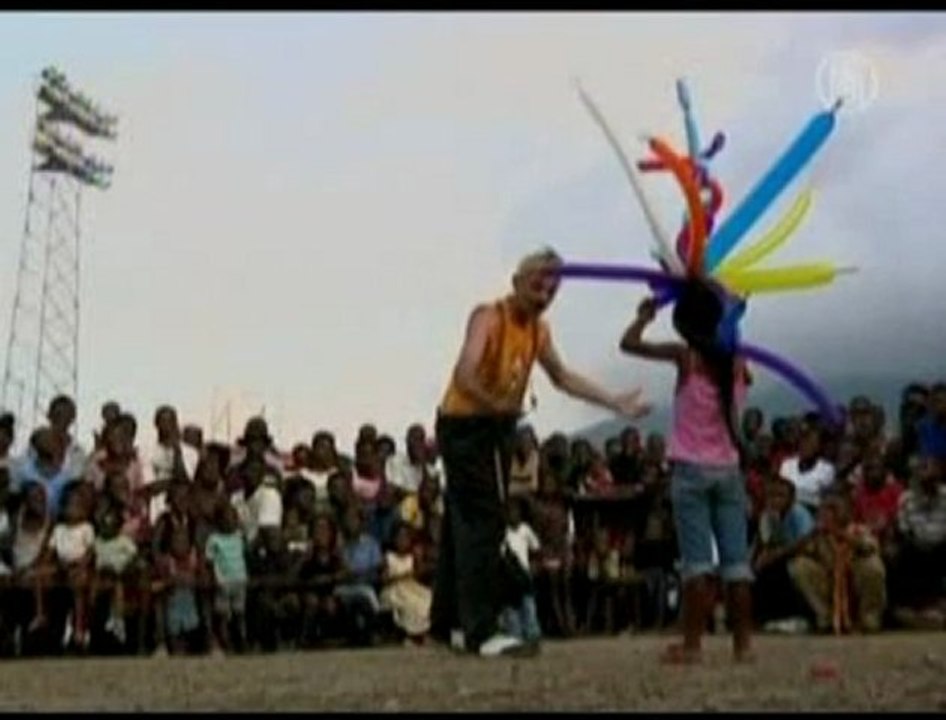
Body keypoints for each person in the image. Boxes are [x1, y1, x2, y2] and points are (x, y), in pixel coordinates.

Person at [431, 248, 650, 658]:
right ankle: (481, 631)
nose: (544, 293)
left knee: (461, 523)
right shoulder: (488, 316)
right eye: (538, 283)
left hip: (497, 427)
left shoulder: (539, 332)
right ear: (517, 281)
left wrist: (614, 402)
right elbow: (464, 372)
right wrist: (496, 404)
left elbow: (563, 377)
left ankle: (449, 625)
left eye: (553, 288)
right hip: (465, 427)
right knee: (485, 521)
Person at [620, 280, 753, 664]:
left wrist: (643, 317)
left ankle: (693, 646)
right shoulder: (740, 362)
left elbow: (628, 345)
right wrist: (723, 298)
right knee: (737, 564)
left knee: (697, 562)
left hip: (692, 471)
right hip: (728, 469)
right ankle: (743, 646)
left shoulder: (686, 358)